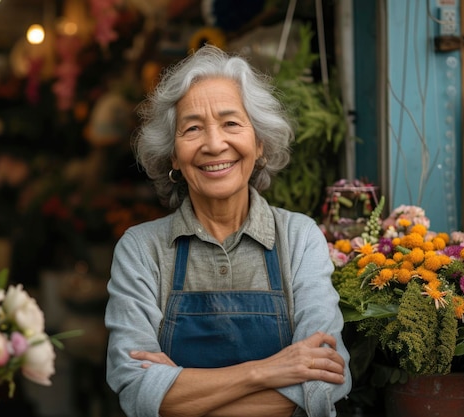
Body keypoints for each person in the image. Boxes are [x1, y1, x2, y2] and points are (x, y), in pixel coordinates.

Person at [104, 44, 352, 417]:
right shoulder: (142, 249)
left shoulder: (299, 238)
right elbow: (137, 390)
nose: (214, 144)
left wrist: (181, 392)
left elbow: (324, 382)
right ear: (173, 155)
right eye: (192, 129)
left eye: (231, 123)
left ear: (260, 144)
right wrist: (266, 371)